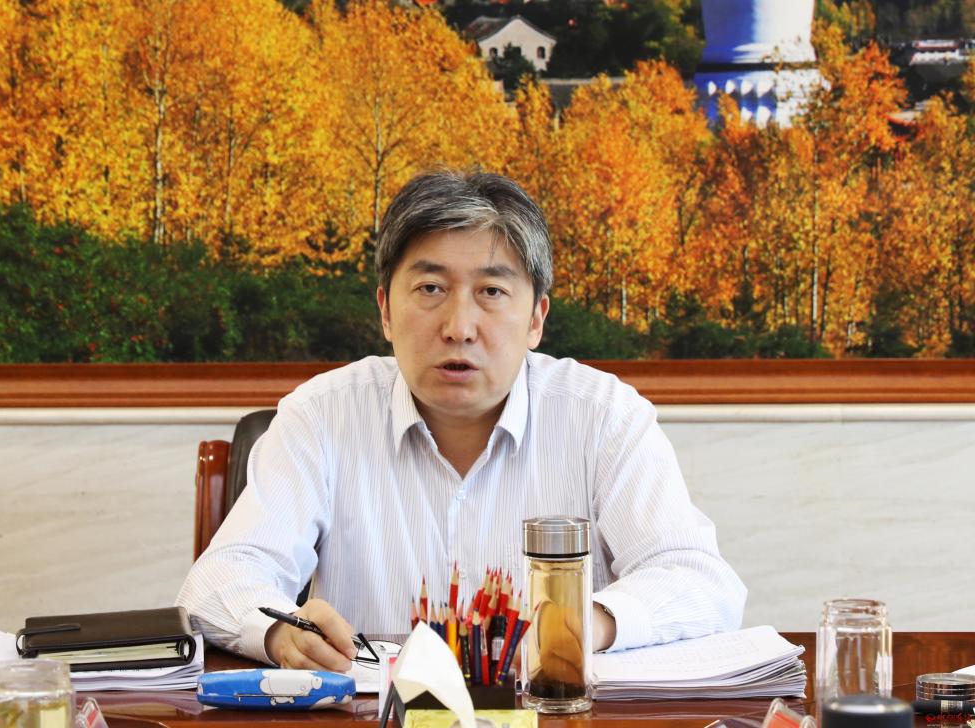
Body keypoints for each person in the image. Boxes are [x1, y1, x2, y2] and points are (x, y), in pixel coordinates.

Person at [176, 170, 746, 674]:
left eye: (492, 291)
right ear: (385, 310)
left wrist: (583, 624)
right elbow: (219, 580)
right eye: (431, 289)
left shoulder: (603, 417)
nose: (459, 327)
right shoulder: (322, 415)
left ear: (536, 318)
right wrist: (282, 633)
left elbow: (699, 580)